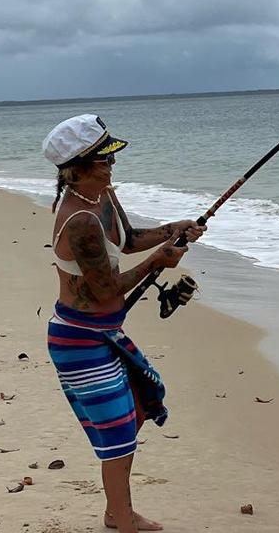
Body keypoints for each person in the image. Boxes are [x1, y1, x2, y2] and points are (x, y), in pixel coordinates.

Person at [43, 114, 205, 533]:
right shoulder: (80, 221)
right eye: (103, 158)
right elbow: (107, 292)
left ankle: (118, 513)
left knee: (130, 420)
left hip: (105, 334)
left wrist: (175, 229)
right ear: (77, 167)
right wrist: (159, 260)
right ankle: (121, 517)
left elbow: (129, 240)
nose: (111, 163)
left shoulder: (103, 197)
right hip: (79, 340)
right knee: (116, 437)